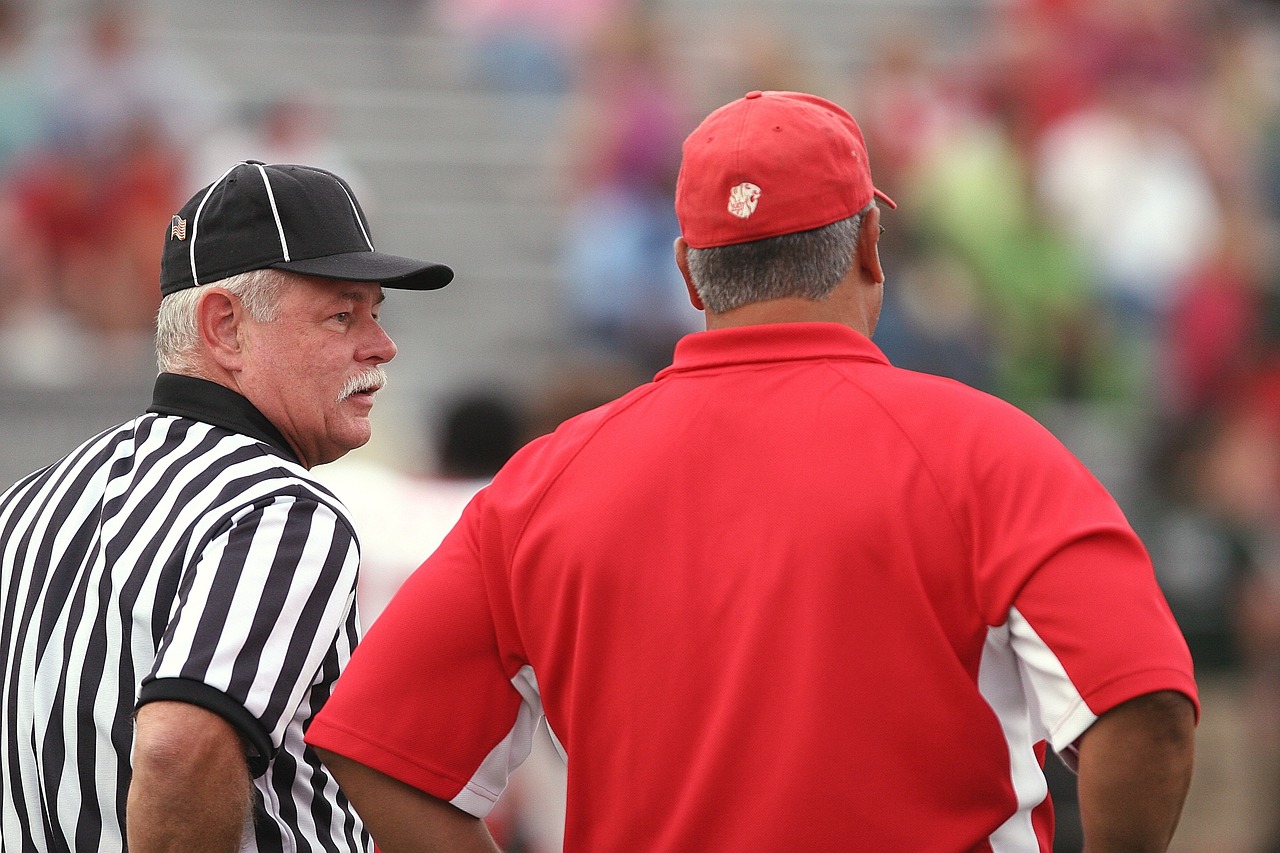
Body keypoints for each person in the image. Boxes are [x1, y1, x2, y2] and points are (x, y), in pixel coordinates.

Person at [306, 91, 1199, 851]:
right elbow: (1145, 703)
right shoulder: (987, 449)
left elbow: (373, 746)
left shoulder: (546, 481)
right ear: (869, 245)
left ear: (691, 274)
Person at [0, 160, 452, 852]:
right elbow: (177, 749)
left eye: (377, 312)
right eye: (342, 314)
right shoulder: (277, 510)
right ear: (225, 327)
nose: (381, 346)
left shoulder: (26, 503)